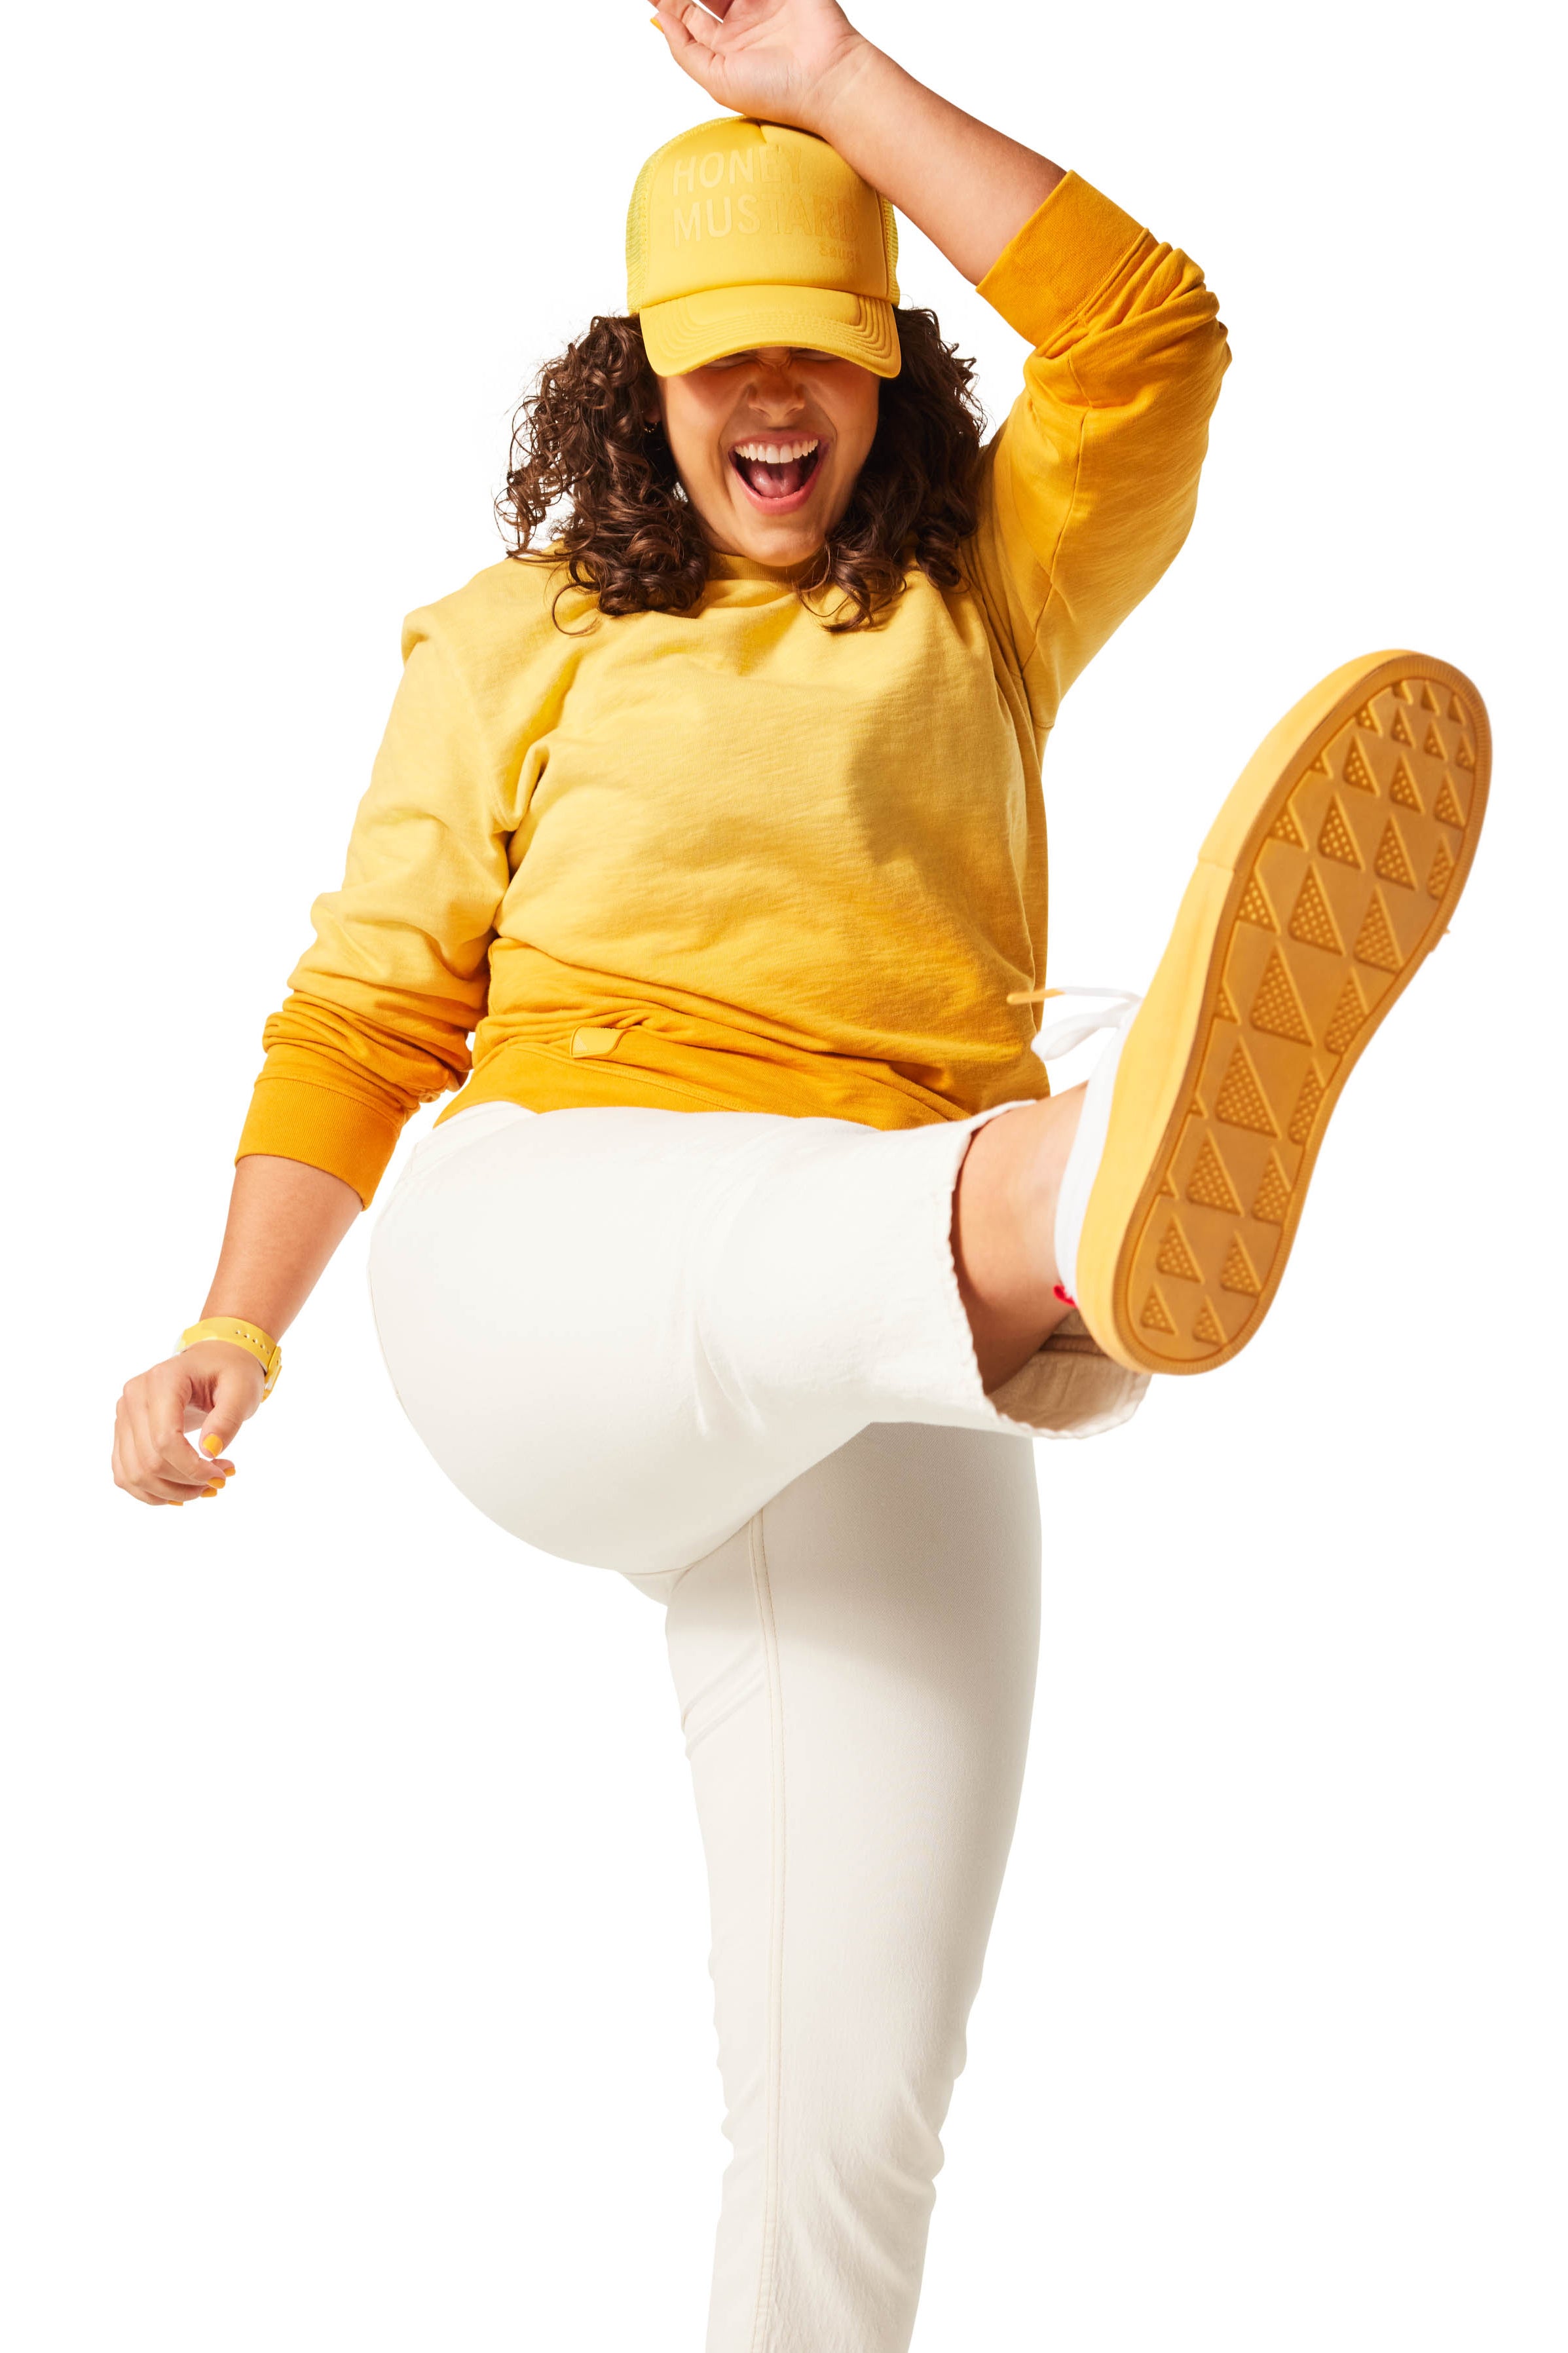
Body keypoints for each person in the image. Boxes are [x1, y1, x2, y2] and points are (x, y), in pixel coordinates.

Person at [111, 3, 1490, 2347]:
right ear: (639, 379)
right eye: (724, 357)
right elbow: (366, 1011)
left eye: (826, 357)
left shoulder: (984, 600)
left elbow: (1151, 337)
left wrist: (842, 88)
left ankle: (1074, 1187)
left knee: (856, 2098)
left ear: (887, 375)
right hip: (561, 1252)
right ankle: (1087, 1184)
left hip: (876, 1337)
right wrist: (233, 1326)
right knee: (966, 1178)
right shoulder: (526, 638)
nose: (775, 400)